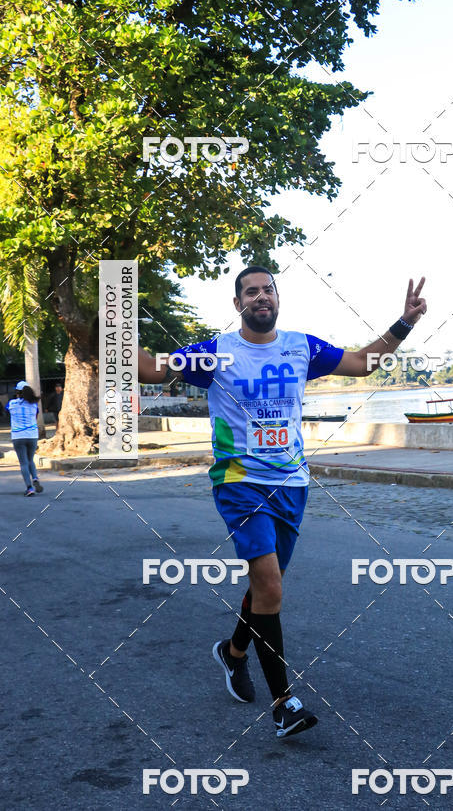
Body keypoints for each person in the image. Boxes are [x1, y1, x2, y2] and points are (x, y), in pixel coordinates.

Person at [138, 267, 427, 738]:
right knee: (270, 586)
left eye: (268, 289)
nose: (261, 297)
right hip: (239, 481)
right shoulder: (215, 353)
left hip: (292, 485)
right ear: (238, 305)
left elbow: (361, 363)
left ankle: (232, 654)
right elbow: (152, 369)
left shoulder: (301, 347)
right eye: (250, 292)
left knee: (263, 589)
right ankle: (283, 703)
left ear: (277, 298)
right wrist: (115, 324)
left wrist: (405, 323)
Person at [6, 381, 44, 497]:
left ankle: (29, 488)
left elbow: (7, 412)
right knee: (30, 459)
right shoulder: (34, 405)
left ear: (17, 392)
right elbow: (35, 417)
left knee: (23, 463)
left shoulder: (11, 404)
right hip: (32, 435)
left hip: (18, 436)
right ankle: (35, 478)